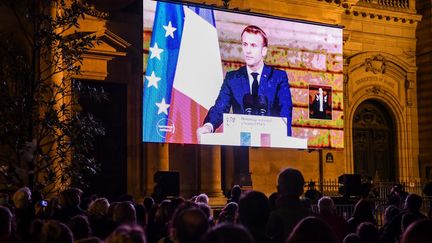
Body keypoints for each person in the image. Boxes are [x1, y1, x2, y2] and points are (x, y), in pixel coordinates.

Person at [197, 25, 293, 140]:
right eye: (245, 44)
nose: (248, 50)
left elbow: (285, 113)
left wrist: (284, 143)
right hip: (241, 147)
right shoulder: (232, 78)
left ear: (264, 51)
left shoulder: (278, 78)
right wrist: (208, 126)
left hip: (270, 147)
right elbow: (220, 108)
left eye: (253, 46)